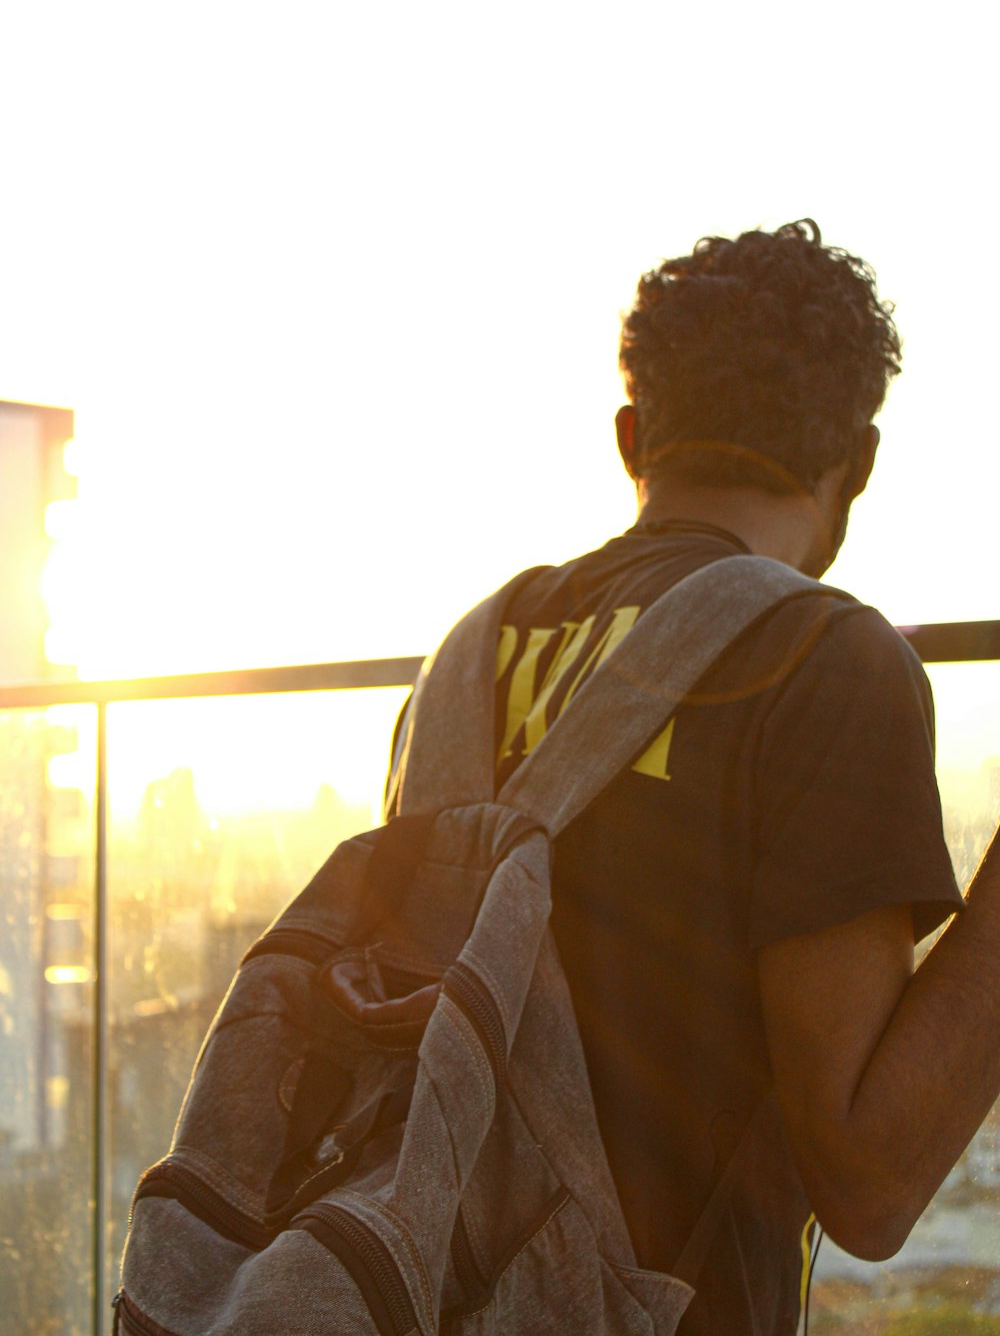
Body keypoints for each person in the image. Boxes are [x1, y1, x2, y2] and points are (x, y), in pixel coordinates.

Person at [389, 219, 984, 1334]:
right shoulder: (825, 660)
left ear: (630, 439)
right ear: (855, 466)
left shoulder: (466, 658)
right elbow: (867, 1184)